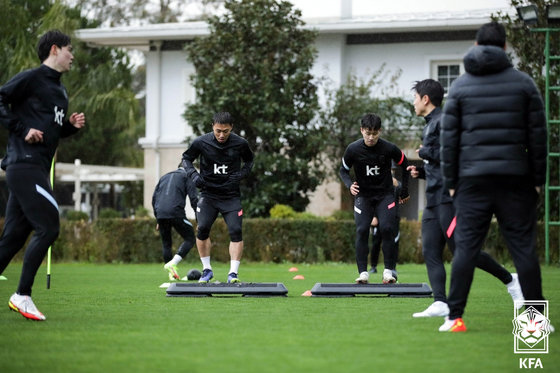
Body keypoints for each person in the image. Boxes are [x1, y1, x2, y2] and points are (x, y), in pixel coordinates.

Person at [439, 22, 548, 332]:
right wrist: (537, 179)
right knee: (523, 251)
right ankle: (536, 323)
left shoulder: (460, 86)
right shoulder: (524, 84)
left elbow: (450, 140)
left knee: (466, 249)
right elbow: (539, 137)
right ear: (504, 47)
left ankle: (454, 317)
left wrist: (450, 182)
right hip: (516, 178)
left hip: (472, 181)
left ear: (476, 45)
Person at [408, 79, 523, 319]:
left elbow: (455, 155)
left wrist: (425, 153)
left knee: (462, 249)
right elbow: (439, 163)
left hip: (448, 200)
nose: (413, 102)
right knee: (430, 250)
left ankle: (511, 279)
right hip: (433, 199)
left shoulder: (444, 122)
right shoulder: (429, 125)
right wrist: (421, 172)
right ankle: (440, 302)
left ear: (425, 99)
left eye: (415, 97)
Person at [0, 30, 85, 321]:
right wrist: (21, 129)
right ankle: (22, 295)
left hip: (35, 167)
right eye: (69, 50)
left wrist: (70, 127)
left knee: (12, 239)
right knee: (49, 227)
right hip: (24, 165)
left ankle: (21, 295)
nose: (72, 56)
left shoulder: (60, 91)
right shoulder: (31, 78)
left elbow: (52, 133)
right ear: (54, 49)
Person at [181, 112, 254, 283]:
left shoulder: (241, 143)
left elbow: (250, 161)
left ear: (232, 128)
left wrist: (241, 174)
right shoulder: (200, 142)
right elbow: (186, 159)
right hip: (208, 195)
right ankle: (207, 270)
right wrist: (193, 175)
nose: (222, 135)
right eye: (218, 131)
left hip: (230, 196)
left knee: (236, 231)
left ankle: (233, 274)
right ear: (212, 126)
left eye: (226, 131)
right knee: (202, 228)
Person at [340, 113, 410, 284]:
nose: (371, 137)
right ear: (361, 130)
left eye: (374, 133)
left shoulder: (388, 148)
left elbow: (405, 164)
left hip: (385, 195)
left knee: (387, 228)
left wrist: (404, 190)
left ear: (380, 131)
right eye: (367, 133)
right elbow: (343, 170)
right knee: (362, 230)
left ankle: (388, 272)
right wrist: (350, 184)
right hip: (363, 196)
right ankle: (363, 273)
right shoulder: (353, 149)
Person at [152, 165, 198, 281]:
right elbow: (194, 199)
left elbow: (154, 199)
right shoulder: (188, 175)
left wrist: (158, 218)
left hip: (161, 214)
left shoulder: (164, 177)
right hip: (176, 213)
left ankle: (171, 274)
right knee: (190, 238)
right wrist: (199, 219)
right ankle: (173, 263)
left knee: (166, 244)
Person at [369, 177, 401, 275]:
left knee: (393, 242)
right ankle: (373, 266)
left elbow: (402, 195)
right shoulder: (377, 182)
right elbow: (372, 200)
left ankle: (392, 267)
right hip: (379, 218)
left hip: (392, 217)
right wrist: (373, 216)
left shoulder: (396, 184)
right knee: (376, 243)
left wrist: (398, 186)